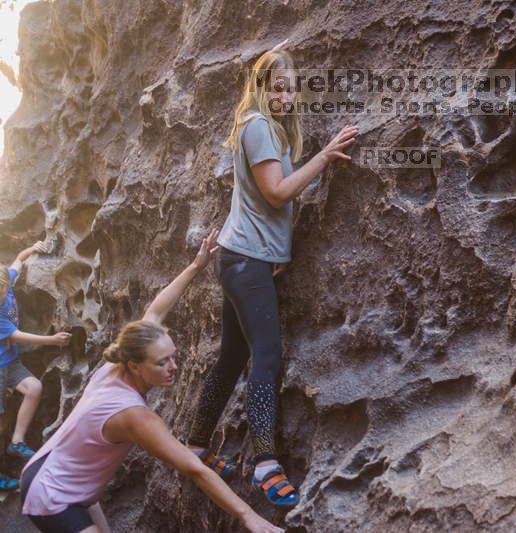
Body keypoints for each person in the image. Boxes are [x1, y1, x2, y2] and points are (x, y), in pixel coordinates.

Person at [185, 41, 358, 507]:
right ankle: (264, 461)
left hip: (239, 258)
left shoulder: (263, 126)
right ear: (260, 88)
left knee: (231, 356)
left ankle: (197, 444)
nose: (287, 97)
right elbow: (277, 193)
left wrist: (276, 53)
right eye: (278, 87)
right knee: (267, 353)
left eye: (292, 90)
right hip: (247, 261)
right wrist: (323, 157)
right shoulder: (259, 125)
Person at [20, 230, 283, 533]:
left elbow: (156, 310)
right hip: (52, 495)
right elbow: (193, 467)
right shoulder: (134, 415)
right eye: (162, 362)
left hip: (54, 473)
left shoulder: (115, 364)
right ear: (135, 366)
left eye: (172, 356)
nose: (174, 367)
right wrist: (246, 515)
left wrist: (196, 265)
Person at [0, 241, 71, 491]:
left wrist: (33, 248)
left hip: (10, 361)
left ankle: (17, 442)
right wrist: (52, 340)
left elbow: (18, 259)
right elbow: (18, 336)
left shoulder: (7, 280)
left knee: (34, 388)